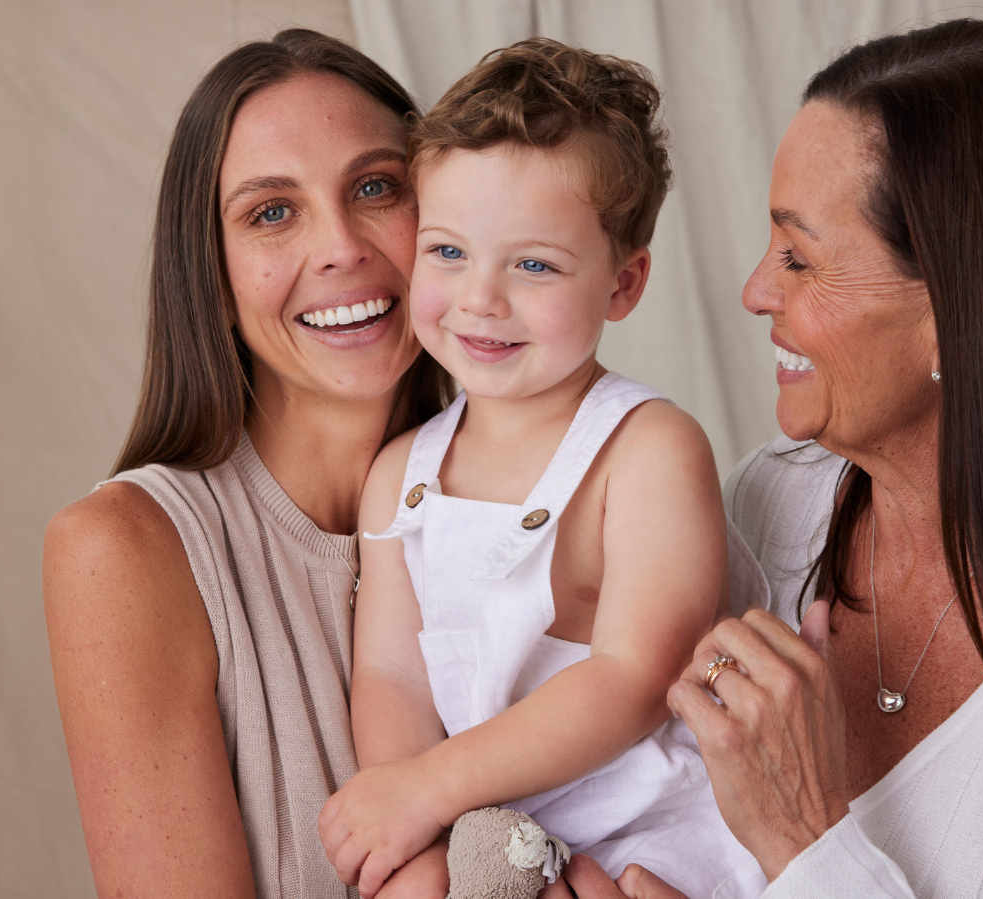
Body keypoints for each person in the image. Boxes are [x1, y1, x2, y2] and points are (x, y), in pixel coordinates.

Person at [556, 18, 983, 899]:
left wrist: (807, 841)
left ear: (961, 314)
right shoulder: (765, 504)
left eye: (800, 257)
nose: (756, 290)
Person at [316, 39, 767, 899]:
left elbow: (635, 677)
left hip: (653, 835)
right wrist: (409, 811)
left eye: (533, 265)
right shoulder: (401, 474)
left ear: (623, 284)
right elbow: (391, 674)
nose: (482, 297)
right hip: (486, 825)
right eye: (448, 252)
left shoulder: (647, 449)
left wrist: (431, 786)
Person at [42, 30, 451, 898]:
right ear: (212, 276)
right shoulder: (123, 551)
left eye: (377, 187)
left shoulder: (562, 484)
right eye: (273, 210)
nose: (341, 245)